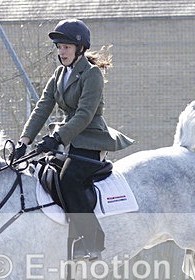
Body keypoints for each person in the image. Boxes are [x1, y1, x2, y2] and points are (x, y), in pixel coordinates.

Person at [14, 19, 133, 260]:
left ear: (80, 48)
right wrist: (24, 141)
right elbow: (42, 107)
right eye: (59, 47)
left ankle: (93, 242)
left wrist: (57, 137)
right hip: (68, 139)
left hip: (90, 140)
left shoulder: (92, 74)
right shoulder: (59, 74)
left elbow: (84, 115)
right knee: (41, 173)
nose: (61, 52)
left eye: (66, 47)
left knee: (68, 179)